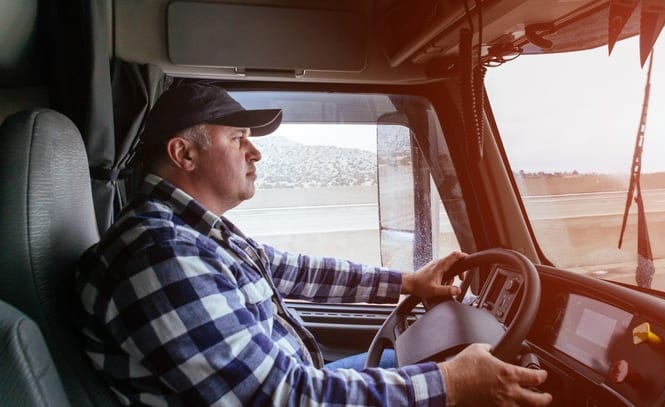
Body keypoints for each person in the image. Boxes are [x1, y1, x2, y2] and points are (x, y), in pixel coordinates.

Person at [75, 83, 553, 406]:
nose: (255, 150)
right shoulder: (159, 257)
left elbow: (289, 270)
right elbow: (281, 398)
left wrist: (408, 281)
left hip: (293, 382)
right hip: (288, 395)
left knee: (402, 362)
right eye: (238, 137)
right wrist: (451, 384)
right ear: (184, 153)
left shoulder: (194, 232)